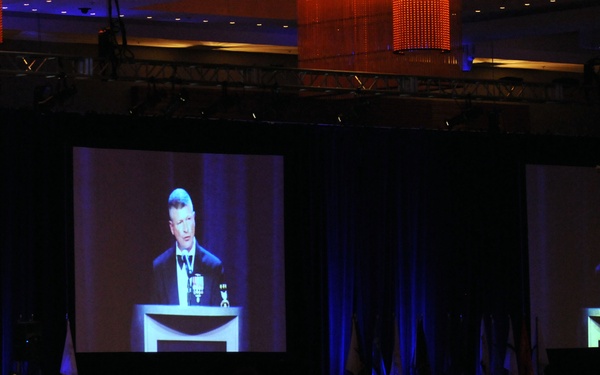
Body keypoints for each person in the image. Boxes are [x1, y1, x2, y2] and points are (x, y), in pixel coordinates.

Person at [152, 188, 226, 306]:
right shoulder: (160, 268)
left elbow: (222, 318)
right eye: (180, 223)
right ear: (172, 228)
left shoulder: (214, 267)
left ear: (194, 218)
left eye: (188, 219)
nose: (186, 229)